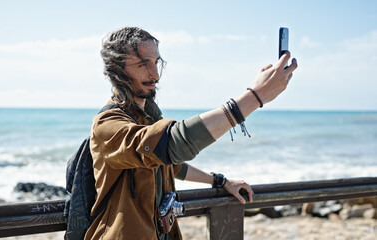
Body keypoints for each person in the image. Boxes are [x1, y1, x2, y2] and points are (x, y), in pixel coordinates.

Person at [85, 27, 298, 240]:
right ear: (117, 69)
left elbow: (172, 165)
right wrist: (254, 97)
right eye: (142, 65)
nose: (155, 74)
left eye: (156, 62)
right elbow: (173, 144)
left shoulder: (148, 118)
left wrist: (221, 182)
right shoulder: (108, 125)